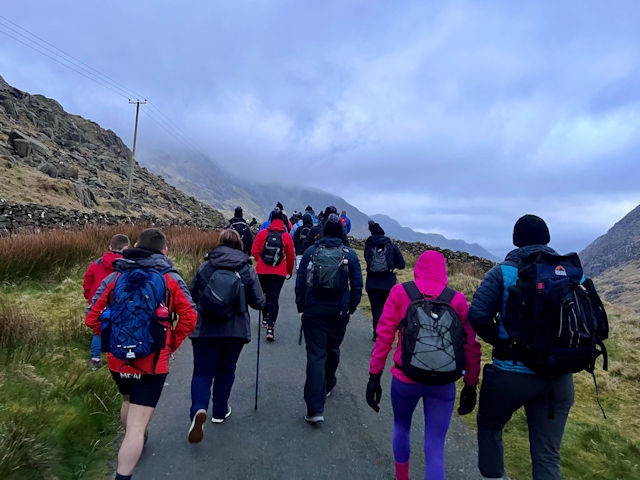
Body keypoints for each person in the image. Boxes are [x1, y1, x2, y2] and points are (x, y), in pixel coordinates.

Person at [85, 228, 197, 480]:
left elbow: (91, 316)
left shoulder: (115, 276)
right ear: (164, 251)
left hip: (118, 360)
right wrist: (170, 346)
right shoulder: (169, 279)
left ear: (134, 245)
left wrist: (112, 339)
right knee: (137, 428)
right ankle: (124, 471)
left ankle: (131, 444)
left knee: (127, 401)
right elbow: (190, 317)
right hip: (152, 362)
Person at [468, 214, 572, 480]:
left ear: (515, 240)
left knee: (490, 426)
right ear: (547, 239)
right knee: (548, 455)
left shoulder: (503, 271)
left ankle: (493, 475)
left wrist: (502, 342)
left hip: (510, 373)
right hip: (557, 377)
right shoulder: (569, 273)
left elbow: (478, 314)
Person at [366, 249, 481, 480]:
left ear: (418, 268)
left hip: (404, 379)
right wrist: (470, 385)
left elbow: (384, 336)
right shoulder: (456, 299)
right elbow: (471, 346)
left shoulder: (400, 292)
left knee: (402, 428)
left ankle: (402, 478)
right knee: (435, 443)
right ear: (443, 271)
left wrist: (374, 376)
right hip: (443, 384)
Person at [186, 229, 265, 443]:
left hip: (205, 330)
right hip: (235, 331)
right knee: (226, 369)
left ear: (219, 243)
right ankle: (220, 412)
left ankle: (199, 409)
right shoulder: (247, 268)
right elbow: (258, 302)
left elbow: (191, 295)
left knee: (202, 372)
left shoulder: (205, 266)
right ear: (239, 244)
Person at [295, 214, 363, 424]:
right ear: (342, 233)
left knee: (316, 355)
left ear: (323, 231)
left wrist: (301, 307)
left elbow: (300, 283)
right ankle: (328, 384)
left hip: (313, 310)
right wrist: (351, 309)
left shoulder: (310, 252)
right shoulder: (350, 255)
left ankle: (315, 409)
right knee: (333, 348)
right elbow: (357, 285)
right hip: (339, 312)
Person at [83, 233, 131, 370]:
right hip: (118, 302)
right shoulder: (127, 266)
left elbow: (87, 281)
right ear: (126, 248)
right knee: (120, 328)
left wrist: (90, 297)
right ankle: (119, 359)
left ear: (110, 246)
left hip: (99, 302)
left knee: (98, 331)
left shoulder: (96, 263)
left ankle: (95, 360)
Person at [251, 207, 295, 342]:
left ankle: (264, 319)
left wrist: (261, 261)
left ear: (270, 219)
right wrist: (288, 271)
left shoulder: (263, 233)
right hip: (279, 272)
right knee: (274, 298)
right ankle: (271, 327)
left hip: (262, 270)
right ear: (282, 220)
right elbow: (291, 256)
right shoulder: (286, 236)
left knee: (263, 295)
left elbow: (254, 251)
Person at [364, 220, 406, 341]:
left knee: (376, 310)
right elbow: (402, 264)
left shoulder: (368, 246)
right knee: (387, 311)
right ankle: (386, 335)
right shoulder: (391, 246)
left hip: (372, 283)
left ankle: (376, 335)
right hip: (388, 283)